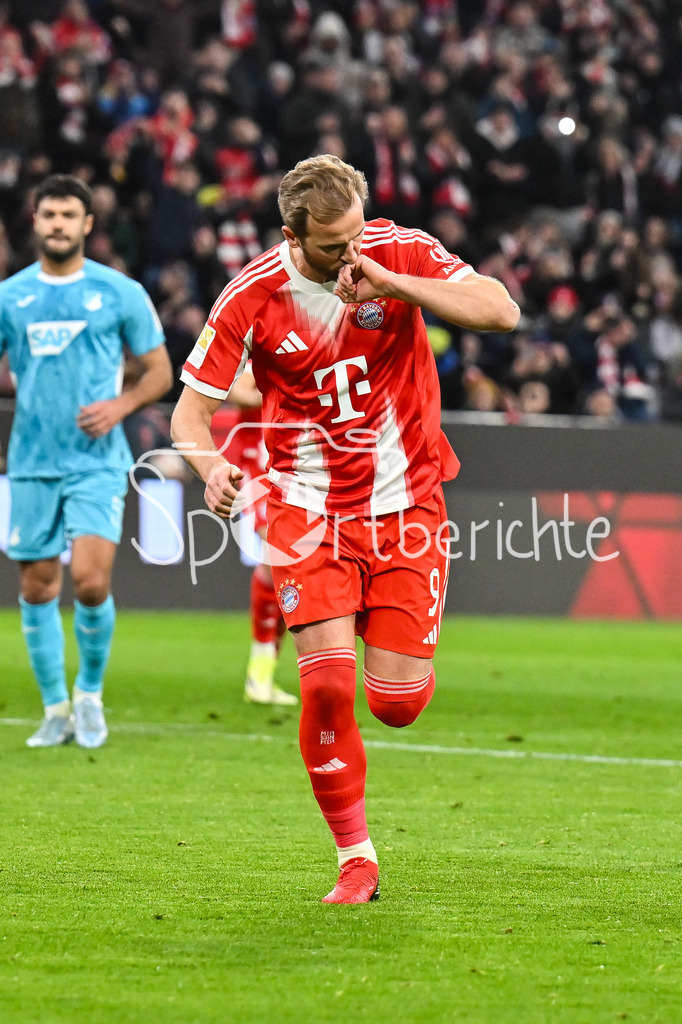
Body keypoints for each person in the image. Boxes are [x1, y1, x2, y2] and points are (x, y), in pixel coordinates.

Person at [171, 154, 519, 903]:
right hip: (307, 509)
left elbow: (501, 309)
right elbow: (189, 415)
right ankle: (355, 858)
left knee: (397, 704)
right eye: (333, 246)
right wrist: (210, 468)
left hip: (408, 504)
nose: (350, 255)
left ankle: (382, 637)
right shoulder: (251, 295)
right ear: (292, 234)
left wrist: (396, 284)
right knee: (326, 689)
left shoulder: (394, 250)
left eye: (356, 236)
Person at [0, 174, 172, 748]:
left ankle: (90, 696)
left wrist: (121, 405)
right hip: (30, 461)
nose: (57, 225)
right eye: (48, 214)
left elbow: (160, 371)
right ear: (35, 220)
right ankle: (54, 709)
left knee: (91, 583)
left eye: (68, 216)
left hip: (96, 460)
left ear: (87, 224)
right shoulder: (11, 296)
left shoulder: (118, 292)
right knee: (39, 585)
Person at [221, 367, 297, 707]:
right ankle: (260, 672)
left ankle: (264, 670)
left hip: (298, 464)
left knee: (287, 570)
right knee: (276, 559)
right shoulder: (265, 333)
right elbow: (238, 391)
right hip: (261, 464)